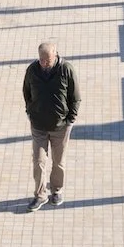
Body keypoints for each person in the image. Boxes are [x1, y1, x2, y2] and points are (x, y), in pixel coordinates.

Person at [21, 41, 79, 210]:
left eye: (47, 60)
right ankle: (40, 195)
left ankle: (57, 190)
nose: (44, 63)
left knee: (58, 162)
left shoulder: (66, 70)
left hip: (60, 126)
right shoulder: (32, 70)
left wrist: (70, 120)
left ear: (56, 55)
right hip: (38, 126)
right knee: (38, 161)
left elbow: (75, 97)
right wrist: (30, 112)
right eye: (41, 60)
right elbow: (26, 92)